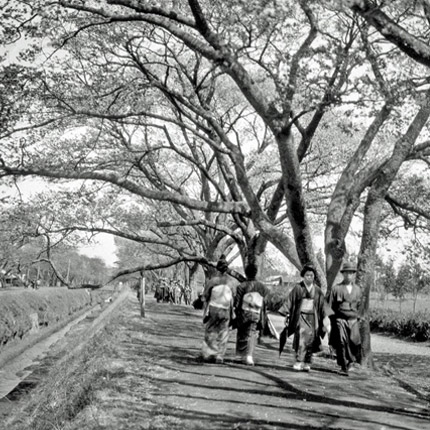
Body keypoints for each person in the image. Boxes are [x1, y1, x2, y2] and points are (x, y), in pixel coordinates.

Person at [279, 264, 332, 372]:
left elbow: (322, 305)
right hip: (301, 316)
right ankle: (299, 361)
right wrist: (286, 313)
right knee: (301, 339)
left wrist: (326, 317)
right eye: (307, 275)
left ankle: (307, 362)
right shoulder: (298, 288)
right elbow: (290, 301)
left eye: (312, 275)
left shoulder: (317, 290)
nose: (309, 277)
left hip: (313, 318)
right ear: (303, 276)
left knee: (311, 340)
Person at [328, 261, 362, 376]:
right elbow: (330, 307)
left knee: (353, 342)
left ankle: (351, 362)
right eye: (347, 273)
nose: (349, 275)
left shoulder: (357, 290)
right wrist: (331, 322)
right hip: (340, 319)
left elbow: (360, 307)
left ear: (353, 275)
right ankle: (343, 366)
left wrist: (359, 318)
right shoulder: (336, 288)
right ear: (343, 274)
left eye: (351, 273)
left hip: (353, 320)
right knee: (341, 341)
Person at [200, 257, 234, 364]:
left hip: (214, 308)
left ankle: (210, 353)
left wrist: (204, 311)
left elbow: (205, 297)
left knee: (210, 330)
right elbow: (234, 297)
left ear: (217, 269)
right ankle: (220, 355)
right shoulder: (231, 282)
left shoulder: (212, 281)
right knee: (224, 332)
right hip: (226, 310)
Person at [234, 263, 269, 366]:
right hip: (256, 312)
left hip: (244, 312)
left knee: (242, 332)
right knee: (251, 333)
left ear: (246, 273)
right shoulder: (262, 287)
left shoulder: (241, 286)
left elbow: (237, 303)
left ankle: (241, 355)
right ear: (256, 273)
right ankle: (248, 356)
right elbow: (266, 300)